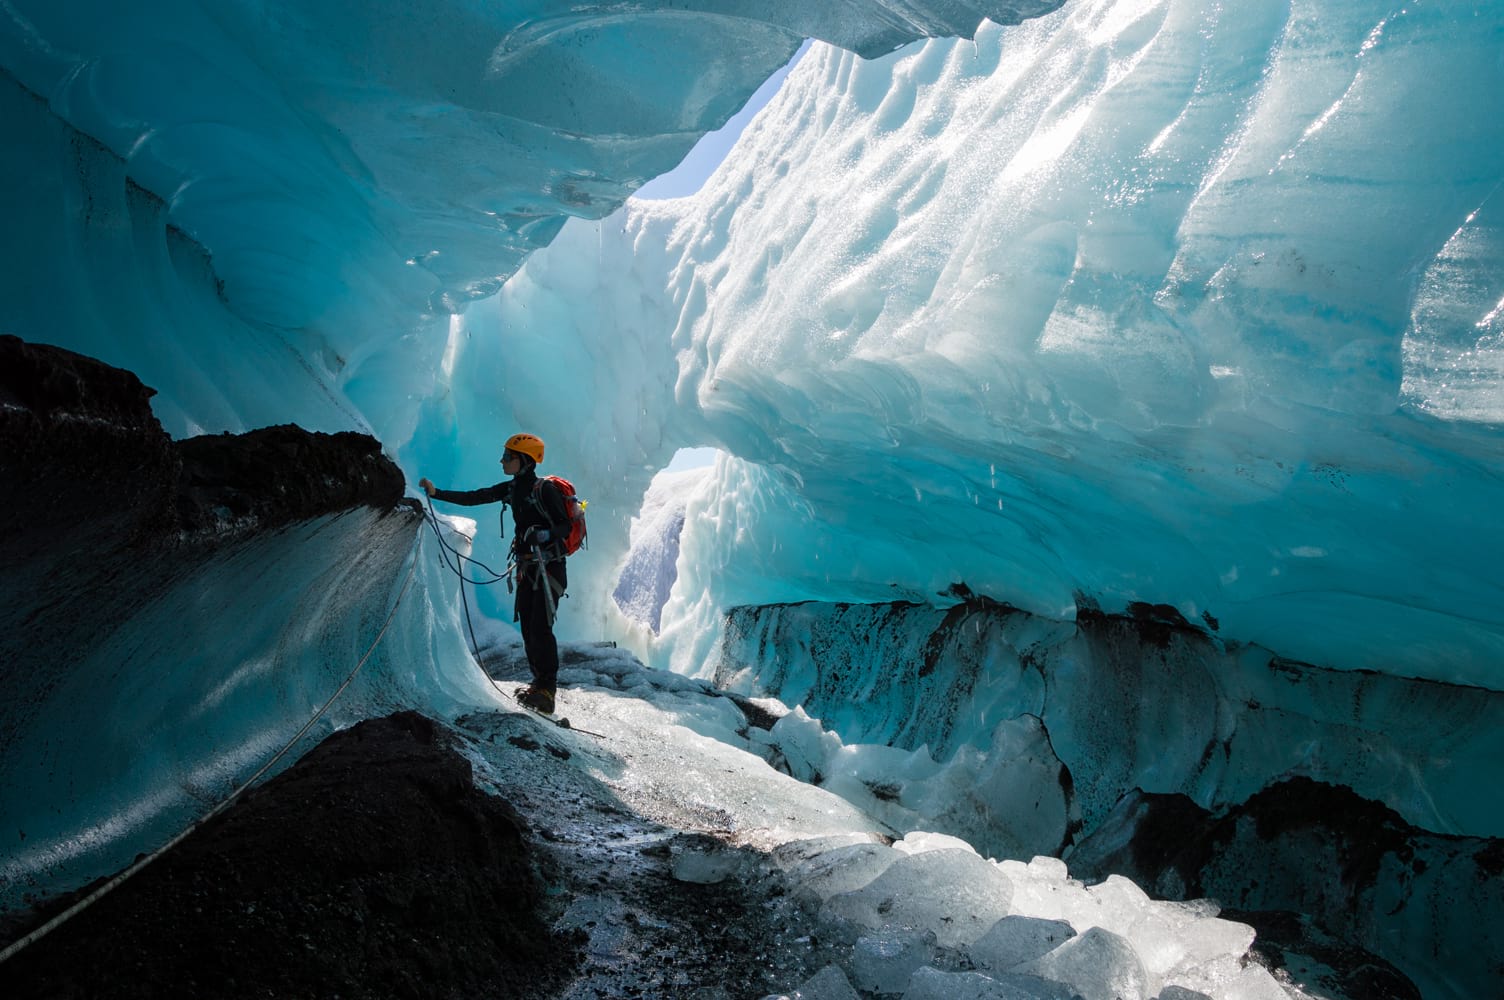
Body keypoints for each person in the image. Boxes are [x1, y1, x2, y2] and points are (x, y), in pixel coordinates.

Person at [419, 432, 568, 714]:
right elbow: (477, 497)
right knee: (528, 627)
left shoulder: (543, 490)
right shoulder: (513, 488)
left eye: (508, 457)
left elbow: (564, 527)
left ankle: (548, 690)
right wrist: (437, 493)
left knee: (540, 627)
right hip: (527, 567)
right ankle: (539, 686)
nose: (502, 460)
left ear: (524, 460)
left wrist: (546, 533)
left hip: (549, 567)